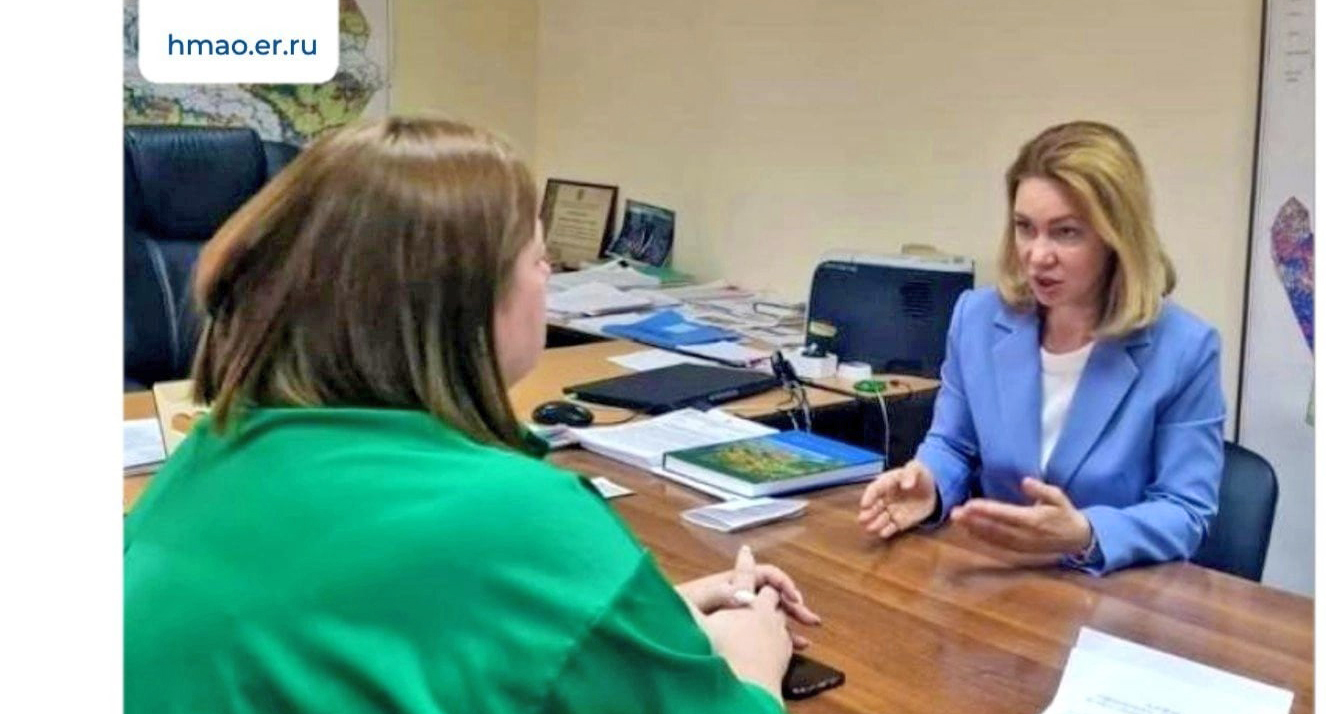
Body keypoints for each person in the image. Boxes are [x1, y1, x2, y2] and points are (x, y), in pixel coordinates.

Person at [124, 117, 820, 713]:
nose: (549, 279)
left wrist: (634, 621)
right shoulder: (522, 515)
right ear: (463, 303)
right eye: (540, 259)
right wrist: (753, 657)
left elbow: (365, 622)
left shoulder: (209, 454)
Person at [857, 121, 1224, 575]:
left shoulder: (1185, 349)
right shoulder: (977, 319)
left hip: (1112, 592)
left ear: (1116, 237)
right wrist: (928, 484)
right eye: (1025, 228)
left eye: (1066, 232)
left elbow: (1186, 510)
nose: (1037, 255)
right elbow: (953, 444)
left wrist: (1086, 533)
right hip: (997, 578)